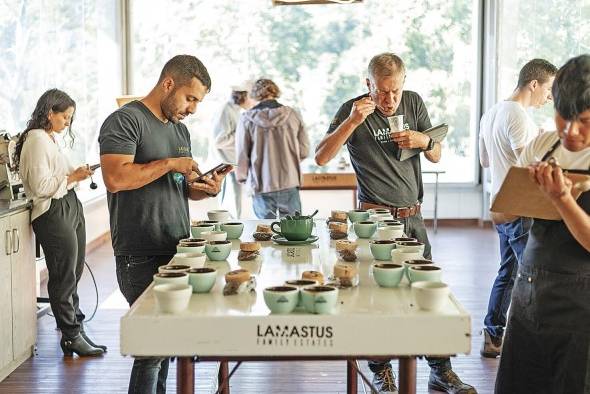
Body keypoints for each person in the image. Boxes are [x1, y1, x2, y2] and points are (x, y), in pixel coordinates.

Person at [315, 53, 475, 394]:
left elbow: (436, 152)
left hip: (412, 217)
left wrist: (424, 141)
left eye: (395, 92)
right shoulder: (351, 110)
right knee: (376, 299)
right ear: (368, 84)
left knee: (427, 293)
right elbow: (321, 157)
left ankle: (440, 369)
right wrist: (352, 123)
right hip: (374, 221)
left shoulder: (414, 102)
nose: (389, 100)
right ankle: (382, 371)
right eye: (382, 92)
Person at [98, 55, 229, 394]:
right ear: (168, 83)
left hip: (177, 250)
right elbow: (115, 178)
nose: (193, 109)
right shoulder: (125, 121)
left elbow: (175, 187)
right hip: (139, 253)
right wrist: (171, 162)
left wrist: (202, 189)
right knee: (152, 349)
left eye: (198, 101)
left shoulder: (179, 129)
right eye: (191, 98)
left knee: (166, 346)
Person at [496, 55, 590, 393]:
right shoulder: (541, 145)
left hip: (582, 310)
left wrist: (562, 199)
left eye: (584, 121)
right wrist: (523, 193)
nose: (571, 132)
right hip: (529, 294)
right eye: (563, 118)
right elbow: (499, 215)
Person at [14, 89, 105, 357]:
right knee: (64, 276)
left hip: (69, 205)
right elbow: (41, 186)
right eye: (65, 116)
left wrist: (77, 173)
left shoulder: (50, 139)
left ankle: (76, 329)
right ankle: (71, 335)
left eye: (70, 118)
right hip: (53, 211)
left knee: (74, 272)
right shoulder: (36, 140)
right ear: (49, 112)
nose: (67, 122)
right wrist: (73, 177)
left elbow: (59, 174)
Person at [479, 59, 557, 358]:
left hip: (499, 207)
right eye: (547, 89)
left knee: (508, 273)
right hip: (520, 208)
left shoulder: (491, 113)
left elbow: (486, 161)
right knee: (534, 277)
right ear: (533, 84)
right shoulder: (518, 116)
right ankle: (535, 343)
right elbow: (531, 168)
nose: (549, 97)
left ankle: (493, 335)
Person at [236, 78, 310, 219]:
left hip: (261, 184)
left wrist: (242, 177)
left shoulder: (246, 118)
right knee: (292, 230)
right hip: (289, 181)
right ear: (275, 91)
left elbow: (242, 154)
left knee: (265, 233)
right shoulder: (293, 115)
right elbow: (304, 150)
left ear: (255, 94)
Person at [212, 81, 257, 218]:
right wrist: (243, 135)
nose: (253, 101)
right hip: (227, 166)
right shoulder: (226, 110)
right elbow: (219, 141)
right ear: (243, 96)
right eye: (251, 97)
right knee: (230, 210)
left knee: (238, 210)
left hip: (235, 165)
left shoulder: (236, 111)